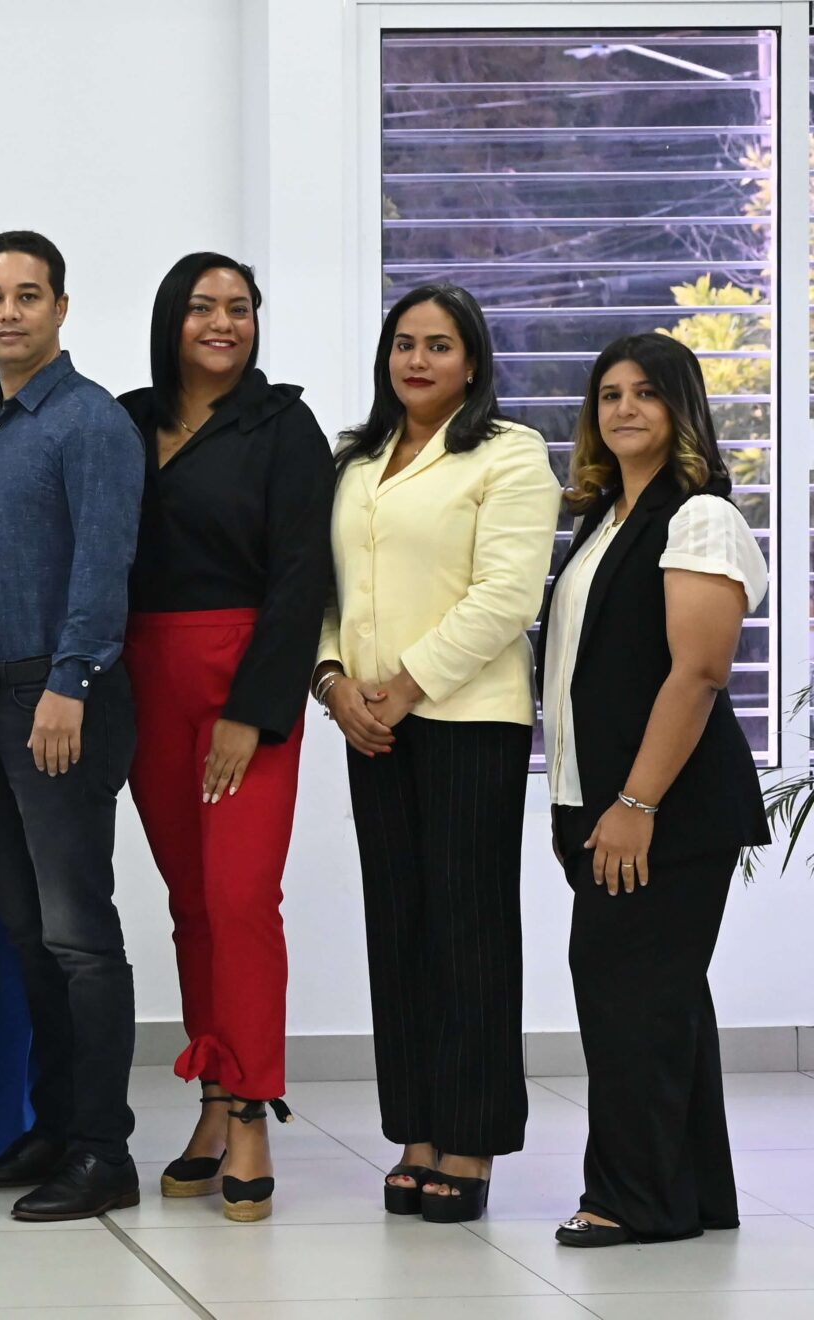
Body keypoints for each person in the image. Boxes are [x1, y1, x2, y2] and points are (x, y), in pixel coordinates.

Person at [314, 281, 559, 1225]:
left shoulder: (509, 454)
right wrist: (335, 683)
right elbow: (325, 589)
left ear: (473, 360)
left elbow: (506, 596)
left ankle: (471, 1141)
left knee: (468, 932)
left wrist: (406, 687)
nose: (418, 360)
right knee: (400, 926)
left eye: (440, 346)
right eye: (404, 343)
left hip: (464, 720)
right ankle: (415, 1131)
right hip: (366, 720)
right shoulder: (357, 458)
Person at [535, 334, 767, 1248]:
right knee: (659, 997)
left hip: (660, 809)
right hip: (601, 804)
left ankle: (631, 1199)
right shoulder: (602, 521)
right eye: (609, 395)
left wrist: (634, 806)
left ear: (682, 409)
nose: (624, 409)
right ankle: (694, 1194)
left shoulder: (698, 516)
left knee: (625, 992)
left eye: (646, 394)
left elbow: (699, 671)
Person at [115, 253, 333, 1221]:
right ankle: (207, 1098)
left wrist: (252, 709)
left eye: (238, 308)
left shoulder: (283, 425)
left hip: (243, 676)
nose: (221, 323)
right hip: (144, 676)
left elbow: (300, 575)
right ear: (171, 319)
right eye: (202, 307)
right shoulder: (126, 420)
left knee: (242, 897)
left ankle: (249, 1104)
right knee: (190, 903)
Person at [0, 231, 147, 1222]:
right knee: (27, 934)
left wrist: (70, 683)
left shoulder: (89, 423)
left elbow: (103, 568)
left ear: (62, 307)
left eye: (29, 295)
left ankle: (104, 1151)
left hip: (59, 702)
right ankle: (56, 1128)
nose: (9, 312)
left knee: (78, 936)